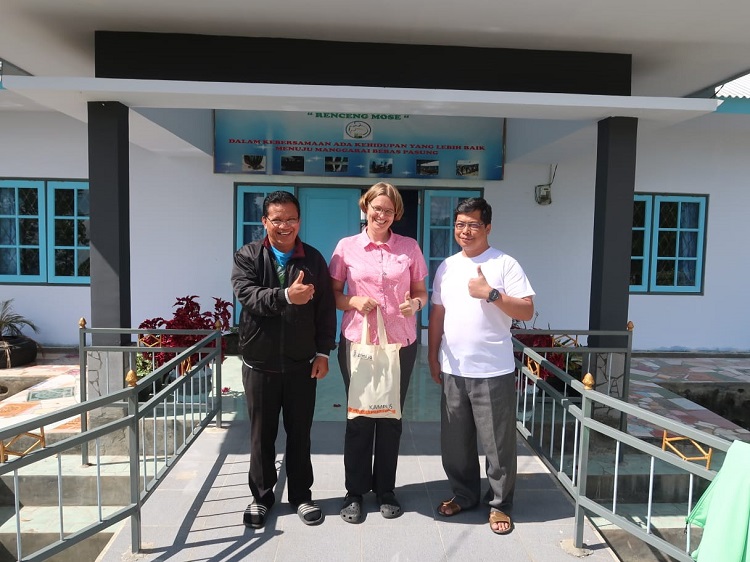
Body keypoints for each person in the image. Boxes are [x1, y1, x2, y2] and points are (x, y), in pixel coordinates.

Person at [427, 197, 535, 535]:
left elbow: (527, 310)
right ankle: (464, 494)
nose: (465, 231)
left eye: (473, 224)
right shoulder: (446, 267)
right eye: (460, 224)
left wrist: (491, 294)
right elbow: (438, 314)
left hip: (492, 370)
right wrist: (432, 355)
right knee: (455, 442)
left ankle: (500, 504)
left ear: (487, 227)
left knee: (497, 444)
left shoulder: (505, 264)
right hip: (453, 369)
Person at [231, 190, 336, 529]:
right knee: (261, 435)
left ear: (299, 221)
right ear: (265, 222)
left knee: (300, 434)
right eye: (277, 219)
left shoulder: (313, 260)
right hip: (259, 363)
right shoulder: (248, 256)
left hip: (301, 364)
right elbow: (248, 295)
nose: (285, 225)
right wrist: (287, 296)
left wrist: (323, 352)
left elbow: (325, 311)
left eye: (291, 219)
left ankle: (302, 496)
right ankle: (261, 497)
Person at [329, 182, 428, 524]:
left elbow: (421, 292)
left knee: (390, 416)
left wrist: (416, 305)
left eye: (389, 210)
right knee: (359, 416)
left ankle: (386, 489)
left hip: (400, 343)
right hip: (358, 342)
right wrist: (353, 300)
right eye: (376, 208)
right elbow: (333, 294)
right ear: (365, 207)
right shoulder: (346, 247)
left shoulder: (409, 247)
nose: (381, 215)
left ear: (396, 214)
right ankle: (354, 492)